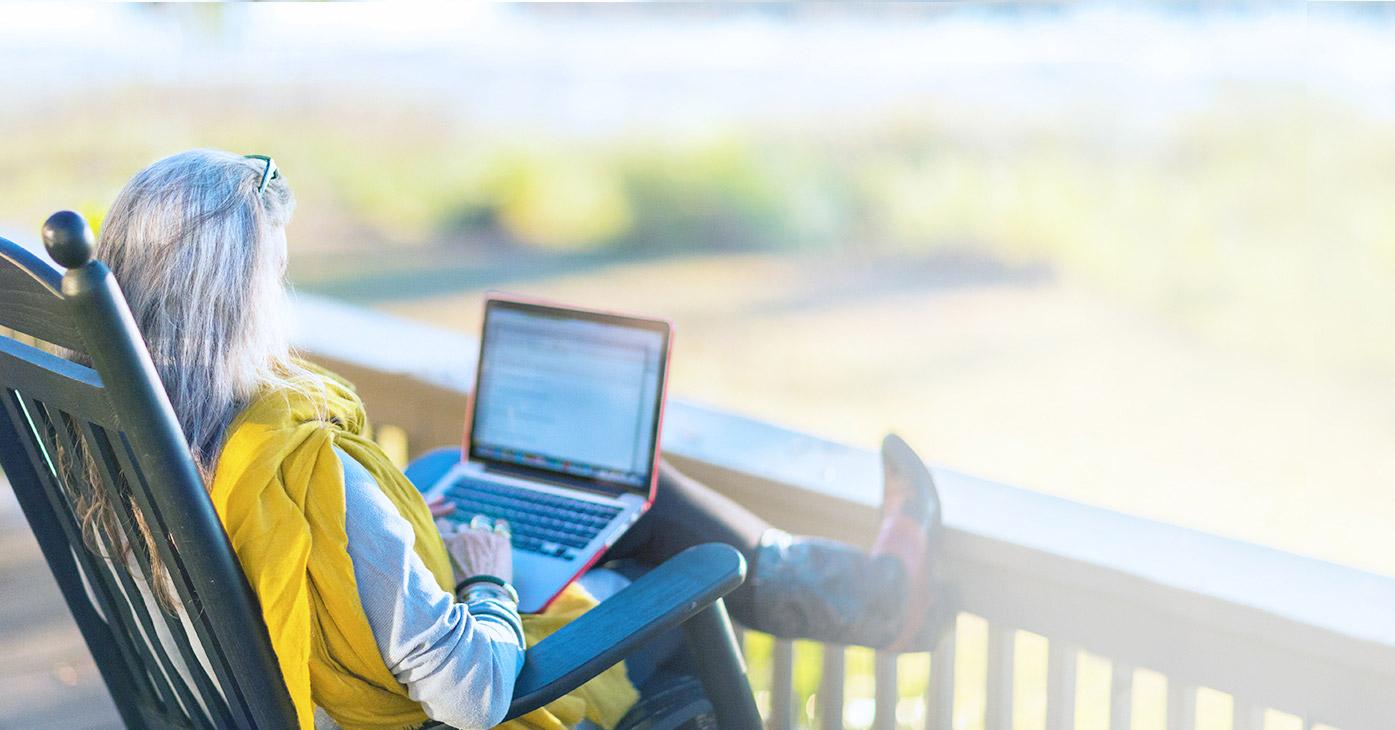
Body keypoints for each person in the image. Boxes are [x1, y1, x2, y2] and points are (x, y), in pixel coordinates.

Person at [87, 149, 948, 730]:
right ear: (244, 302)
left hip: (317, 689)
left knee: (629, 513)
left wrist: (402, 531)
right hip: (454, 702)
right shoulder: (306, 472)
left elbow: (326, 583)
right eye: (277, 275)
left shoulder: (134, 458)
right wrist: (488, 580)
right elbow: (471, 691)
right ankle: (875, 596)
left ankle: (873, 594)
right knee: (681, 587)